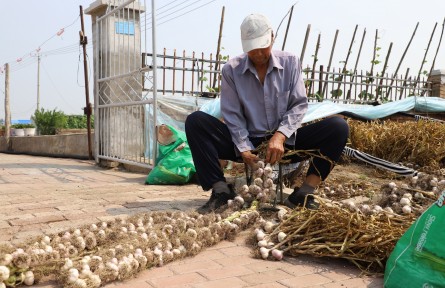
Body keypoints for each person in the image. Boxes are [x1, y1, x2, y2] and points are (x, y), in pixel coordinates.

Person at [185, 13, 349, 213]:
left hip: (286, 142)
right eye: (252, 50)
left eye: (263, 47)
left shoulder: (290, 62)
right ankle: (220, 191)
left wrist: (280, 136)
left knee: (338, 127)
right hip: (247, 143)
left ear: (272, 37)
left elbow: (298, 105)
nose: (259, 54)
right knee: (196, 122)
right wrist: (243, 146)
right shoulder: (231, 70)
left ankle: (304, 193)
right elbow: (232, 113)